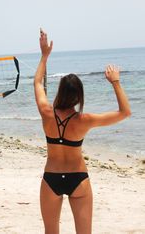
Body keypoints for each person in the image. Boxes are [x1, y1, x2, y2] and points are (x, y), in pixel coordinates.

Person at [34, 29, 131, 234]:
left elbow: (37, 83)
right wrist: (115, 82)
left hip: (51, 177)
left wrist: (44, 56)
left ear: (60, 92)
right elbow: (125, 112)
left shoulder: (46, 112)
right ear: (79, 97)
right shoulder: (84, 120)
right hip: (78, 178)